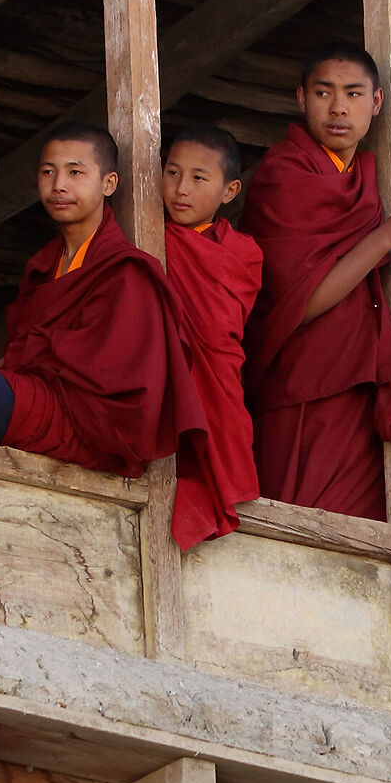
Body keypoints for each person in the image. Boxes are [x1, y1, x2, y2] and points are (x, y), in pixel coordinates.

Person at [240, 46, 391, 520]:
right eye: (324, 93)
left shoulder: (372, 177)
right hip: (302, 389)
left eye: (353, 94)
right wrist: (389, 235)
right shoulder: (282, 176)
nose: (339, 108)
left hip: (364, 393)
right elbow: (297, 304)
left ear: (378, 102)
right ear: (302, 99)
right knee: (297, 532)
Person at [0, 122, 201, 478]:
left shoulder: (128, 272)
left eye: (75, 172)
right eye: (48, 172)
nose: (59, 185)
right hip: (42, 399)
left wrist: (36, 357)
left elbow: (124, 383)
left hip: (84, 422)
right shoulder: (44, 266)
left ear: (108, 183)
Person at [160, 125, 264, 549]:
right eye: (172, 173)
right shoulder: (148, 238)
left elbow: (219, 331)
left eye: (199, 178)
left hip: (215, 378)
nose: (181, 189)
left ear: (229, 190)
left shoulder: (244, 253)